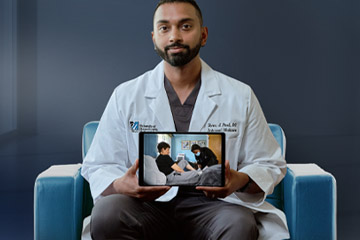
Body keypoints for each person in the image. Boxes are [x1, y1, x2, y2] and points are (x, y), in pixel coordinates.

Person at [81, 0, 290, 239]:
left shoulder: (240, 95)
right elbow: (98, 164)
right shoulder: (125, 96)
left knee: (239, 223)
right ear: (153, 38)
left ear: (203, 35)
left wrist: (238, 180)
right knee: (107, 213)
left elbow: (269, 164)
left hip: (214, 208)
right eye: (164, 28)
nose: (174, 36)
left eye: (185, 26)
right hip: (146, 207)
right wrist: (121, 186)